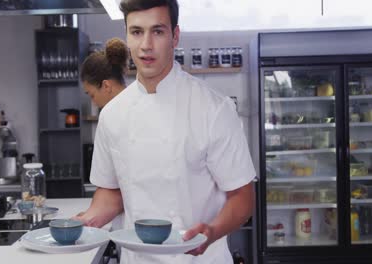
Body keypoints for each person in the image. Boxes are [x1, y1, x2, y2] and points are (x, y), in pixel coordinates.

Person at [76, 0, 256, 263]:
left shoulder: (214, 109)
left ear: (175, 36)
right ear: (126, 36)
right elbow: (110, 195)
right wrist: (82, 224)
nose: (146, 45)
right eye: (137, 32)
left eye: (157, 31)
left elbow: (242, 197)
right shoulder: (112, 115)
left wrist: (213, 230)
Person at [81, 37, 128, 109]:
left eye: (92, 95)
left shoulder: (107, 115)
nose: (94, 103)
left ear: (106, 86)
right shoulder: (142, 104)